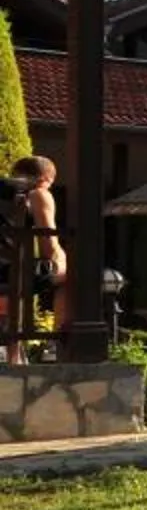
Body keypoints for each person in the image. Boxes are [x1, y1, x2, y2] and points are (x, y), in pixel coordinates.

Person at [5, 155, 65, 363]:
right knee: (73, 275)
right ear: (45, 178)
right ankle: (58, 344)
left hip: (5, 273)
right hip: (14, 274)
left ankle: (14, 351)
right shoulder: (38, 194)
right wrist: (62, 259)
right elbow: (49, 245)